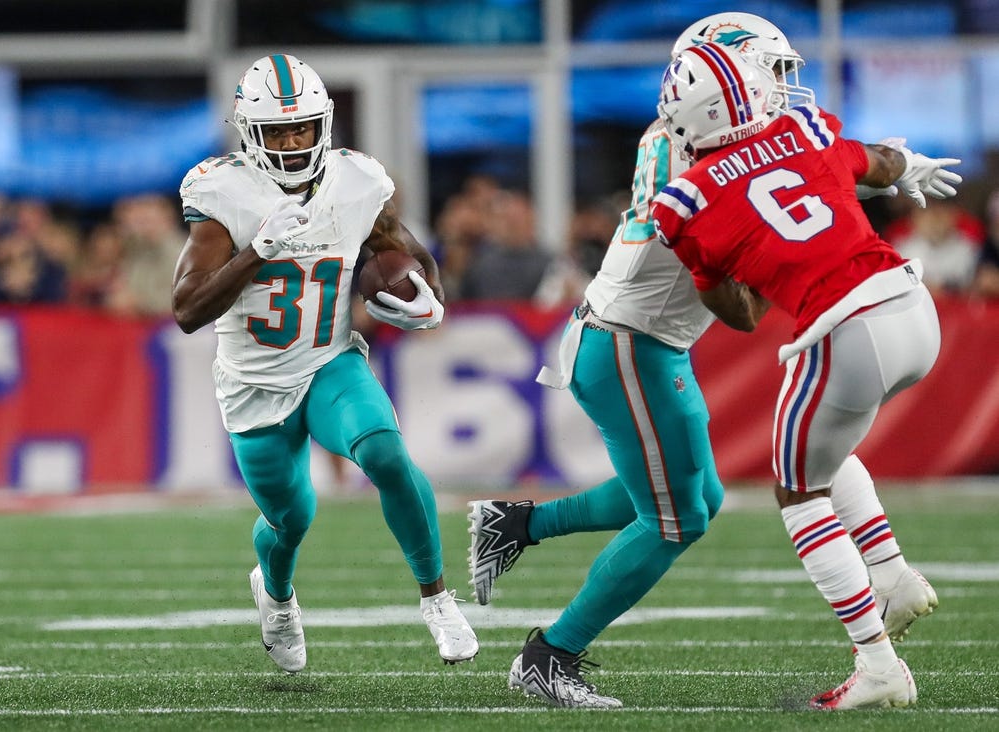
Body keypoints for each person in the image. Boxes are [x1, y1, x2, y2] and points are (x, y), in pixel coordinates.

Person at [467, 12, 943, 710]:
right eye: (769, 75)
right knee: (676, 519)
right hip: (627, 339)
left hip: (653, 339)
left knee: (695, 499)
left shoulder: (708, 142)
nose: (781, 91)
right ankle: (548, 655)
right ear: (724, 90)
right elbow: (737, 302)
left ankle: (516, 525)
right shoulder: (689, 164)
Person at [650, 41, 961, 709]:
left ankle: (878, 663)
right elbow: (878, 162)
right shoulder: (802, 128)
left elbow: (733, 310)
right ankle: (893, 574)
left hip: (845, 329)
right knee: (824, 451)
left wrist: (754, 270)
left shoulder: (682, 202)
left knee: (797, 491)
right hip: (913, 306)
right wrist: (907, 165)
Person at [171, 54, 478, 674]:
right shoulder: (222, 193)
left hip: (329, 362)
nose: (292, 143)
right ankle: (277, 595)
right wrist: (256, 250)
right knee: (291, 519)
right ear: (249, 135)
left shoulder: (357, 181)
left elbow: (408, 252)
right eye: (278, 132)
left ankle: (437, 598)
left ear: (324, 124)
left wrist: (424, 298)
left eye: (302, 128)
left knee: (385, 453)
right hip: (254, 385)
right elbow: (185, 309)